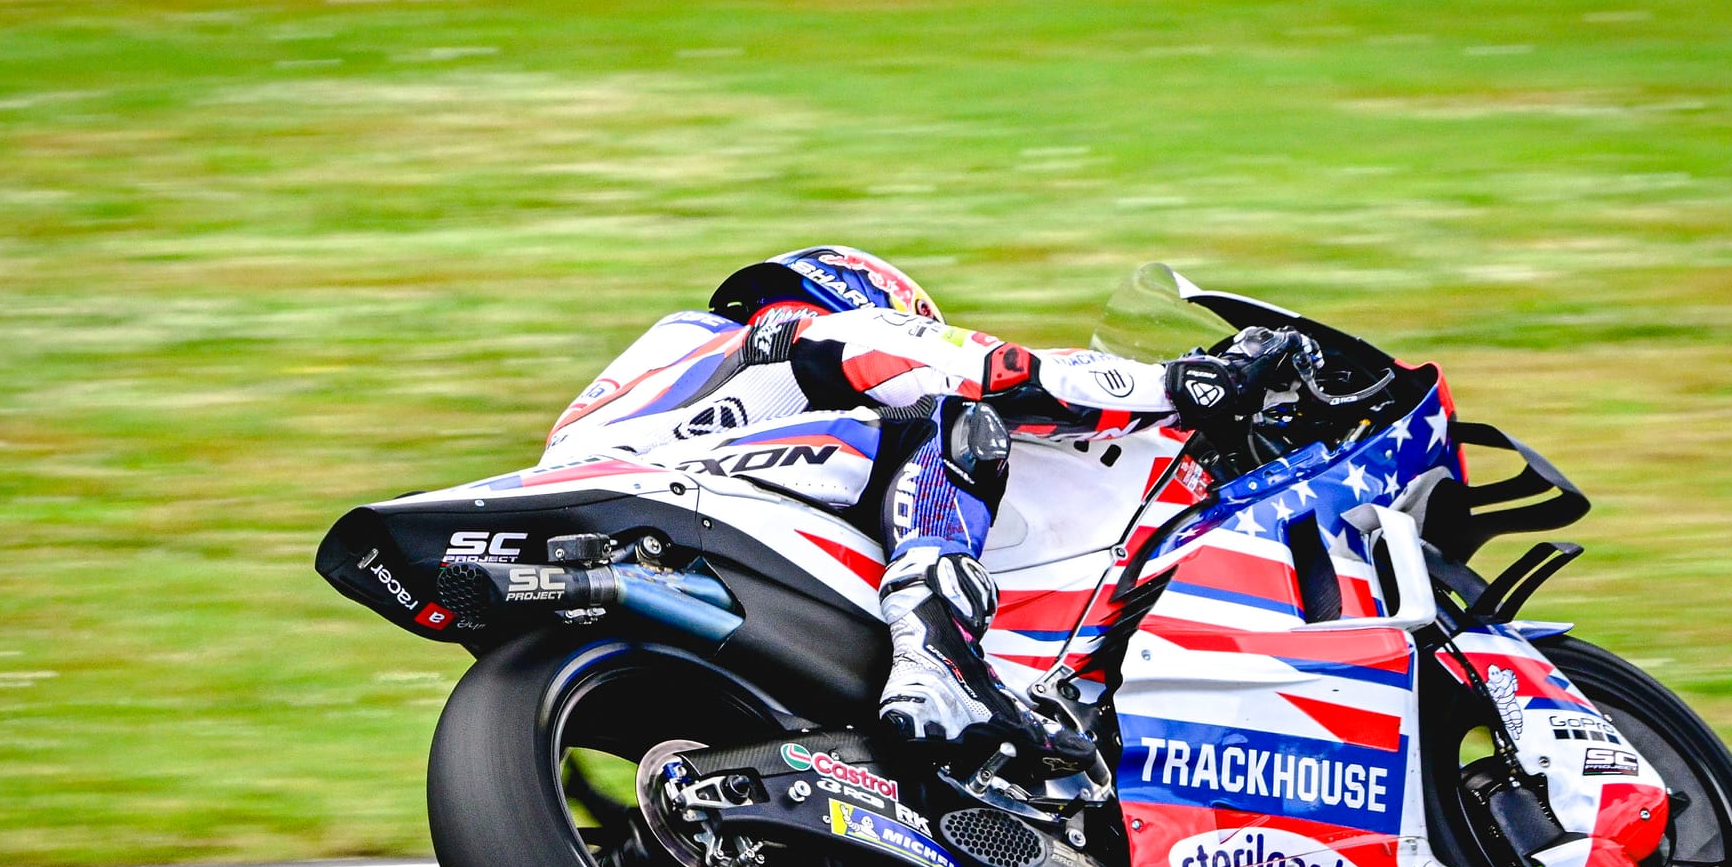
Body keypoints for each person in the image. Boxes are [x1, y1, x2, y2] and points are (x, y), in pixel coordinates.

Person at [540, 246, 1321, 767]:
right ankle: (937, 660)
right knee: (951, 416)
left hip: (606, 522)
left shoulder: (680, 366)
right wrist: (1175, 384)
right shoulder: (791, 331)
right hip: (666, 493)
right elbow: (972, 368)